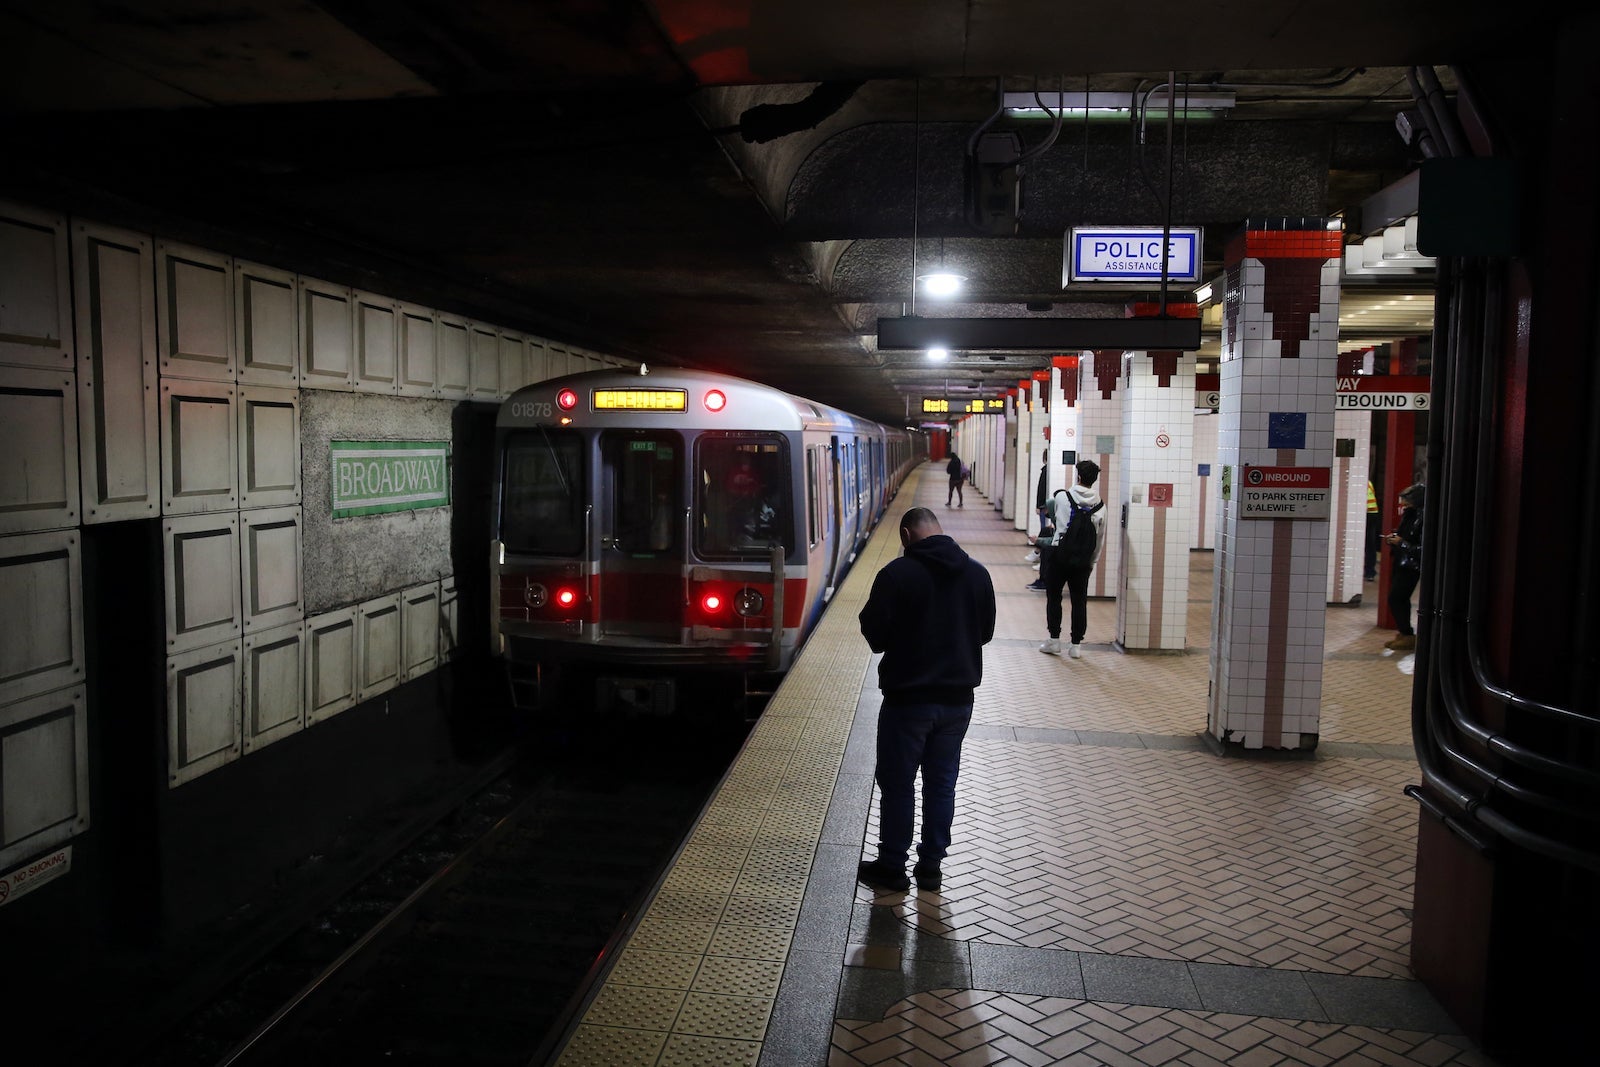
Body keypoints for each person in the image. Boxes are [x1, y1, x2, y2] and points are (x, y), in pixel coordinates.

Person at [857, 507, 996, 893]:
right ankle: (931, 869)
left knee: (899, 783)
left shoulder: (896, 575)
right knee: (941, 784)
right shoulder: (978, 573)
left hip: (908, 701)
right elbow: (984, 632)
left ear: (905, 535)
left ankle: (892, 866)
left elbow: (875, 635)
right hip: (957, 702)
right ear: (938, 530)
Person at [1039, 460, 1107, 658]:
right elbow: (1100, 538)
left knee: (1054, 597)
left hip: (1059, 554)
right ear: (1094, 480)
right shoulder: (1101, 507)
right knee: (1079, 601)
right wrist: (1092, 561)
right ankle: (1076, 645)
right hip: (1083, 560)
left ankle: (1054, 640)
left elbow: (1053, 512)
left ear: (1078, 476)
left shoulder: (1062, 497)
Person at [1384, 483, 1425, 651]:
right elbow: (1405, 536)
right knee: (1398, 598)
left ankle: (1407, 634)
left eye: (1407, 500)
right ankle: (1404, 633)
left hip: (1411, 565)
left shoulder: (1423, 518)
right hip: (1402, 562)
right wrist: (1395, 539)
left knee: (1396, 597)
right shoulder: (1410, 515)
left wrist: (1401, 544)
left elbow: (1422, 547)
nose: (1403, 504)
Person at [1364, 479, 1380, 581]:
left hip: (1366, 513)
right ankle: (1370, 572)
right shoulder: (1368, 482)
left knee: (1367, 544)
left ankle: (1369, 571)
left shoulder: (1357, 482)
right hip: (1373, 513)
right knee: (1370, 544)